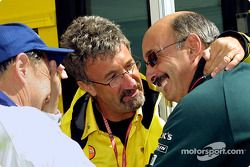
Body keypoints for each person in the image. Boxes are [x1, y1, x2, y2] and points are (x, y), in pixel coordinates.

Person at [60, 16, 247, 167]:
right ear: (87, 86)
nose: (133, 81)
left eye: (130, 65)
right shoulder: (65, 140)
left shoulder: (171, 87)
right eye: (113, 77)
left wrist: (240, 42)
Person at [142, 11, 250, 166]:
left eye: (153, 58)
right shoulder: (237, 79)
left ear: (192, 47)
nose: (149, 75)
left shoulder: (201, 104)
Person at [0, 23, 95, 167]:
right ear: (22, 68)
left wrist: (49, 113)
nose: (57, 74)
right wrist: (45, 122)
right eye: (49, 62)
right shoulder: (30, 128)